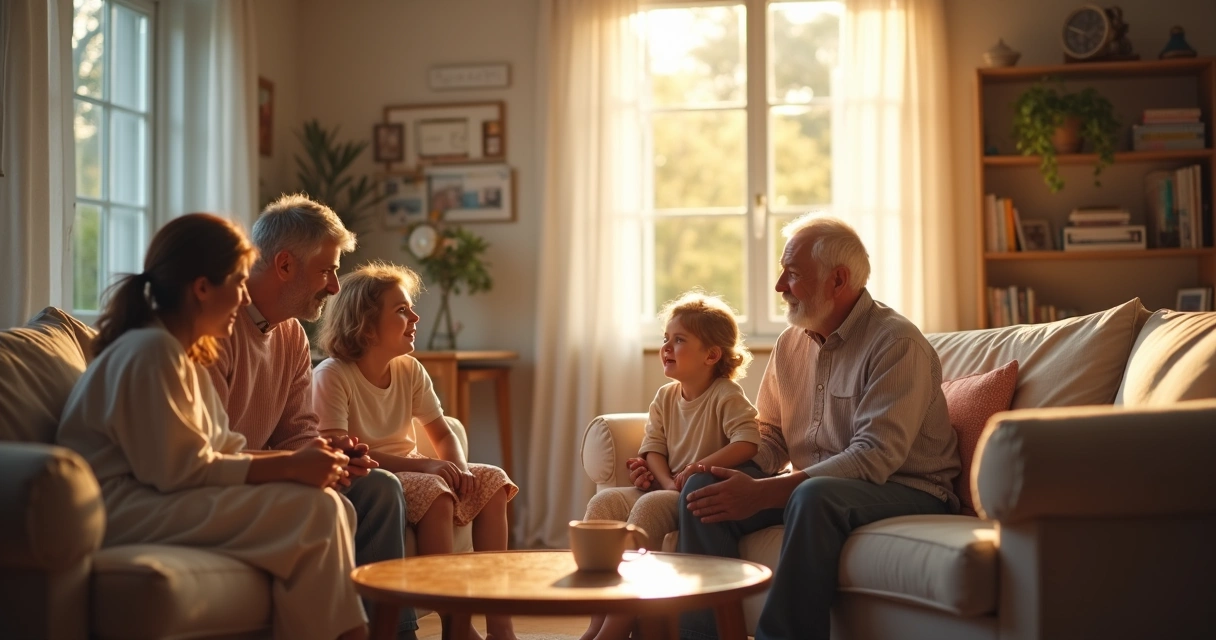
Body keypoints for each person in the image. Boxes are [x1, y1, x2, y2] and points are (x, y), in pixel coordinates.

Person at [57, 214, 367, 640]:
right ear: (202, 288)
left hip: (158, 496)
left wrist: (306, 462)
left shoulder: (183, 354)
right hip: (119, 507)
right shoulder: (149, 351)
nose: (244, 299)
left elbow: (223, 448)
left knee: (329, 506)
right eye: (239, 284)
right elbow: (179, 469)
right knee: (316, 512)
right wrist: (291, 466)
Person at [677, 215, 961, 640]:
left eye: (791, 275)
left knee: (811, 494)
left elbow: (875, 456)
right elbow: (770, 435)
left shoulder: (896, 343)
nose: (778, 287)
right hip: (820, 488)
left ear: (838, 280)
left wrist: (766, 491)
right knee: (702, 489)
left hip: (908, 488)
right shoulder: (790, 342)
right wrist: (710, 468)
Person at [205, 195, 417, 638]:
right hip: (241, 481)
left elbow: (298, 432)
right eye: (327, 270)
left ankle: (395, 634)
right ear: (284, 265)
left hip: (280, 473)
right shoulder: (215, 329)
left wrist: (333, 452)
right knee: (330, 506)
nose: (335, 286)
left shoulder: (292, 338)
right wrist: (301, 463)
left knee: (379, 486)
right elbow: (210, 451)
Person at [312, 262, 519, 640]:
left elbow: (442, 431)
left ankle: (499, 625)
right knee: (435, 492)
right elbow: (337, 448)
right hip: (373, 474)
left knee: (495, 483)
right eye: (402, 310)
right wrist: (429, 467)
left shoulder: (410, 369)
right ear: (366, 323)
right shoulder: (333, 375)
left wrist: (457, 467)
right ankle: (456, 626)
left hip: (413, 468)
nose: (415, 316)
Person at [580, 291, 761, 640]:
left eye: (679, 340)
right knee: (602, 504)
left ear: (711, 355)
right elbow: (653, 448)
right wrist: (665, 480)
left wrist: (696, 470)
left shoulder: (726, 395)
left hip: (694, 494)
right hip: (669, 488)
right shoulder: (664, 396)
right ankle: (596, 620)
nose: (666, 347)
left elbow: (747, 441)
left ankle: (618, 626)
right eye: (666, 338)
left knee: (648, 508)